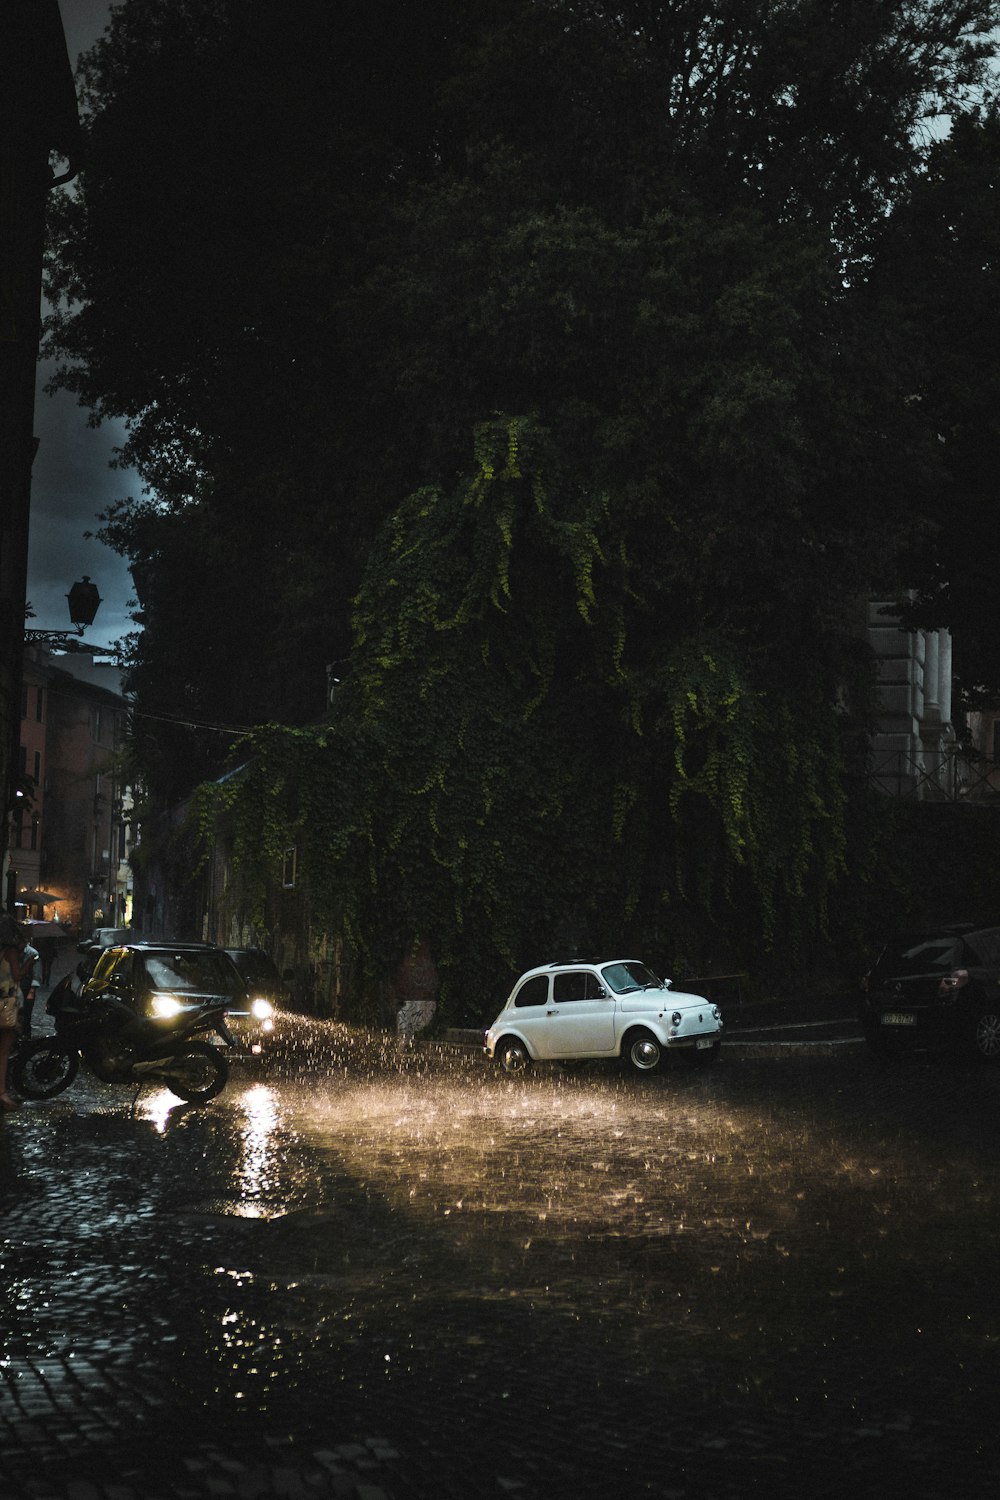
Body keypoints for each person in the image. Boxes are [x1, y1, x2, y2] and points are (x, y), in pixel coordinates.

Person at [0, 916, 25, 1110]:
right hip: (6, 1004)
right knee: (4, 1050)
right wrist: (30, 963)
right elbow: (17, 975)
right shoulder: (11, 952)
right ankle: (2, 1093)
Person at [18, 939, 39, 1040]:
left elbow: (36, 975)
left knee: (26, 1014)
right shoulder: (13, 952)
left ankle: (26, 1037)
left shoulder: (32, 953)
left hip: (26, 987)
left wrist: (32, 991)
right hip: (16, 988)